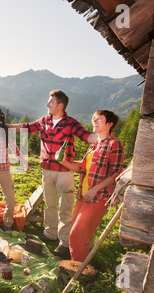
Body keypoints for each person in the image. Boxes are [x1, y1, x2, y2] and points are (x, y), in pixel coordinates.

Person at [8, 90, 97, 258]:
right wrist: (7, 127)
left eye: (51, 102)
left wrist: (102, 138)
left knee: (65, 207)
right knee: (50, 204)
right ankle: (50, 234)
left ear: (60, 106)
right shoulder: (44, 121)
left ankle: (64, 243)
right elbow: (26, 127)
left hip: (65, 172)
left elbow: (86, 136)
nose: (47, 105)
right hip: (46, 170)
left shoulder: (71, 123)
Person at [59, 110, 124, 262]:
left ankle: (78, 272)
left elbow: (116, 173)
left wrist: (95, 189)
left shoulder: (114, 145)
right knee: (77, 233)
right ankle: (80, 265)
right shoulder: (94, 146)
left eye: (99, 119)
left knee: (77, 235)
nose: (94, 121)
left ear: (109, 124)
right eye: (94, 118)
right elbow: (81, 168)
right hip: (83, 195)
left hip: (98, 198)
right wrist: (62, 161)